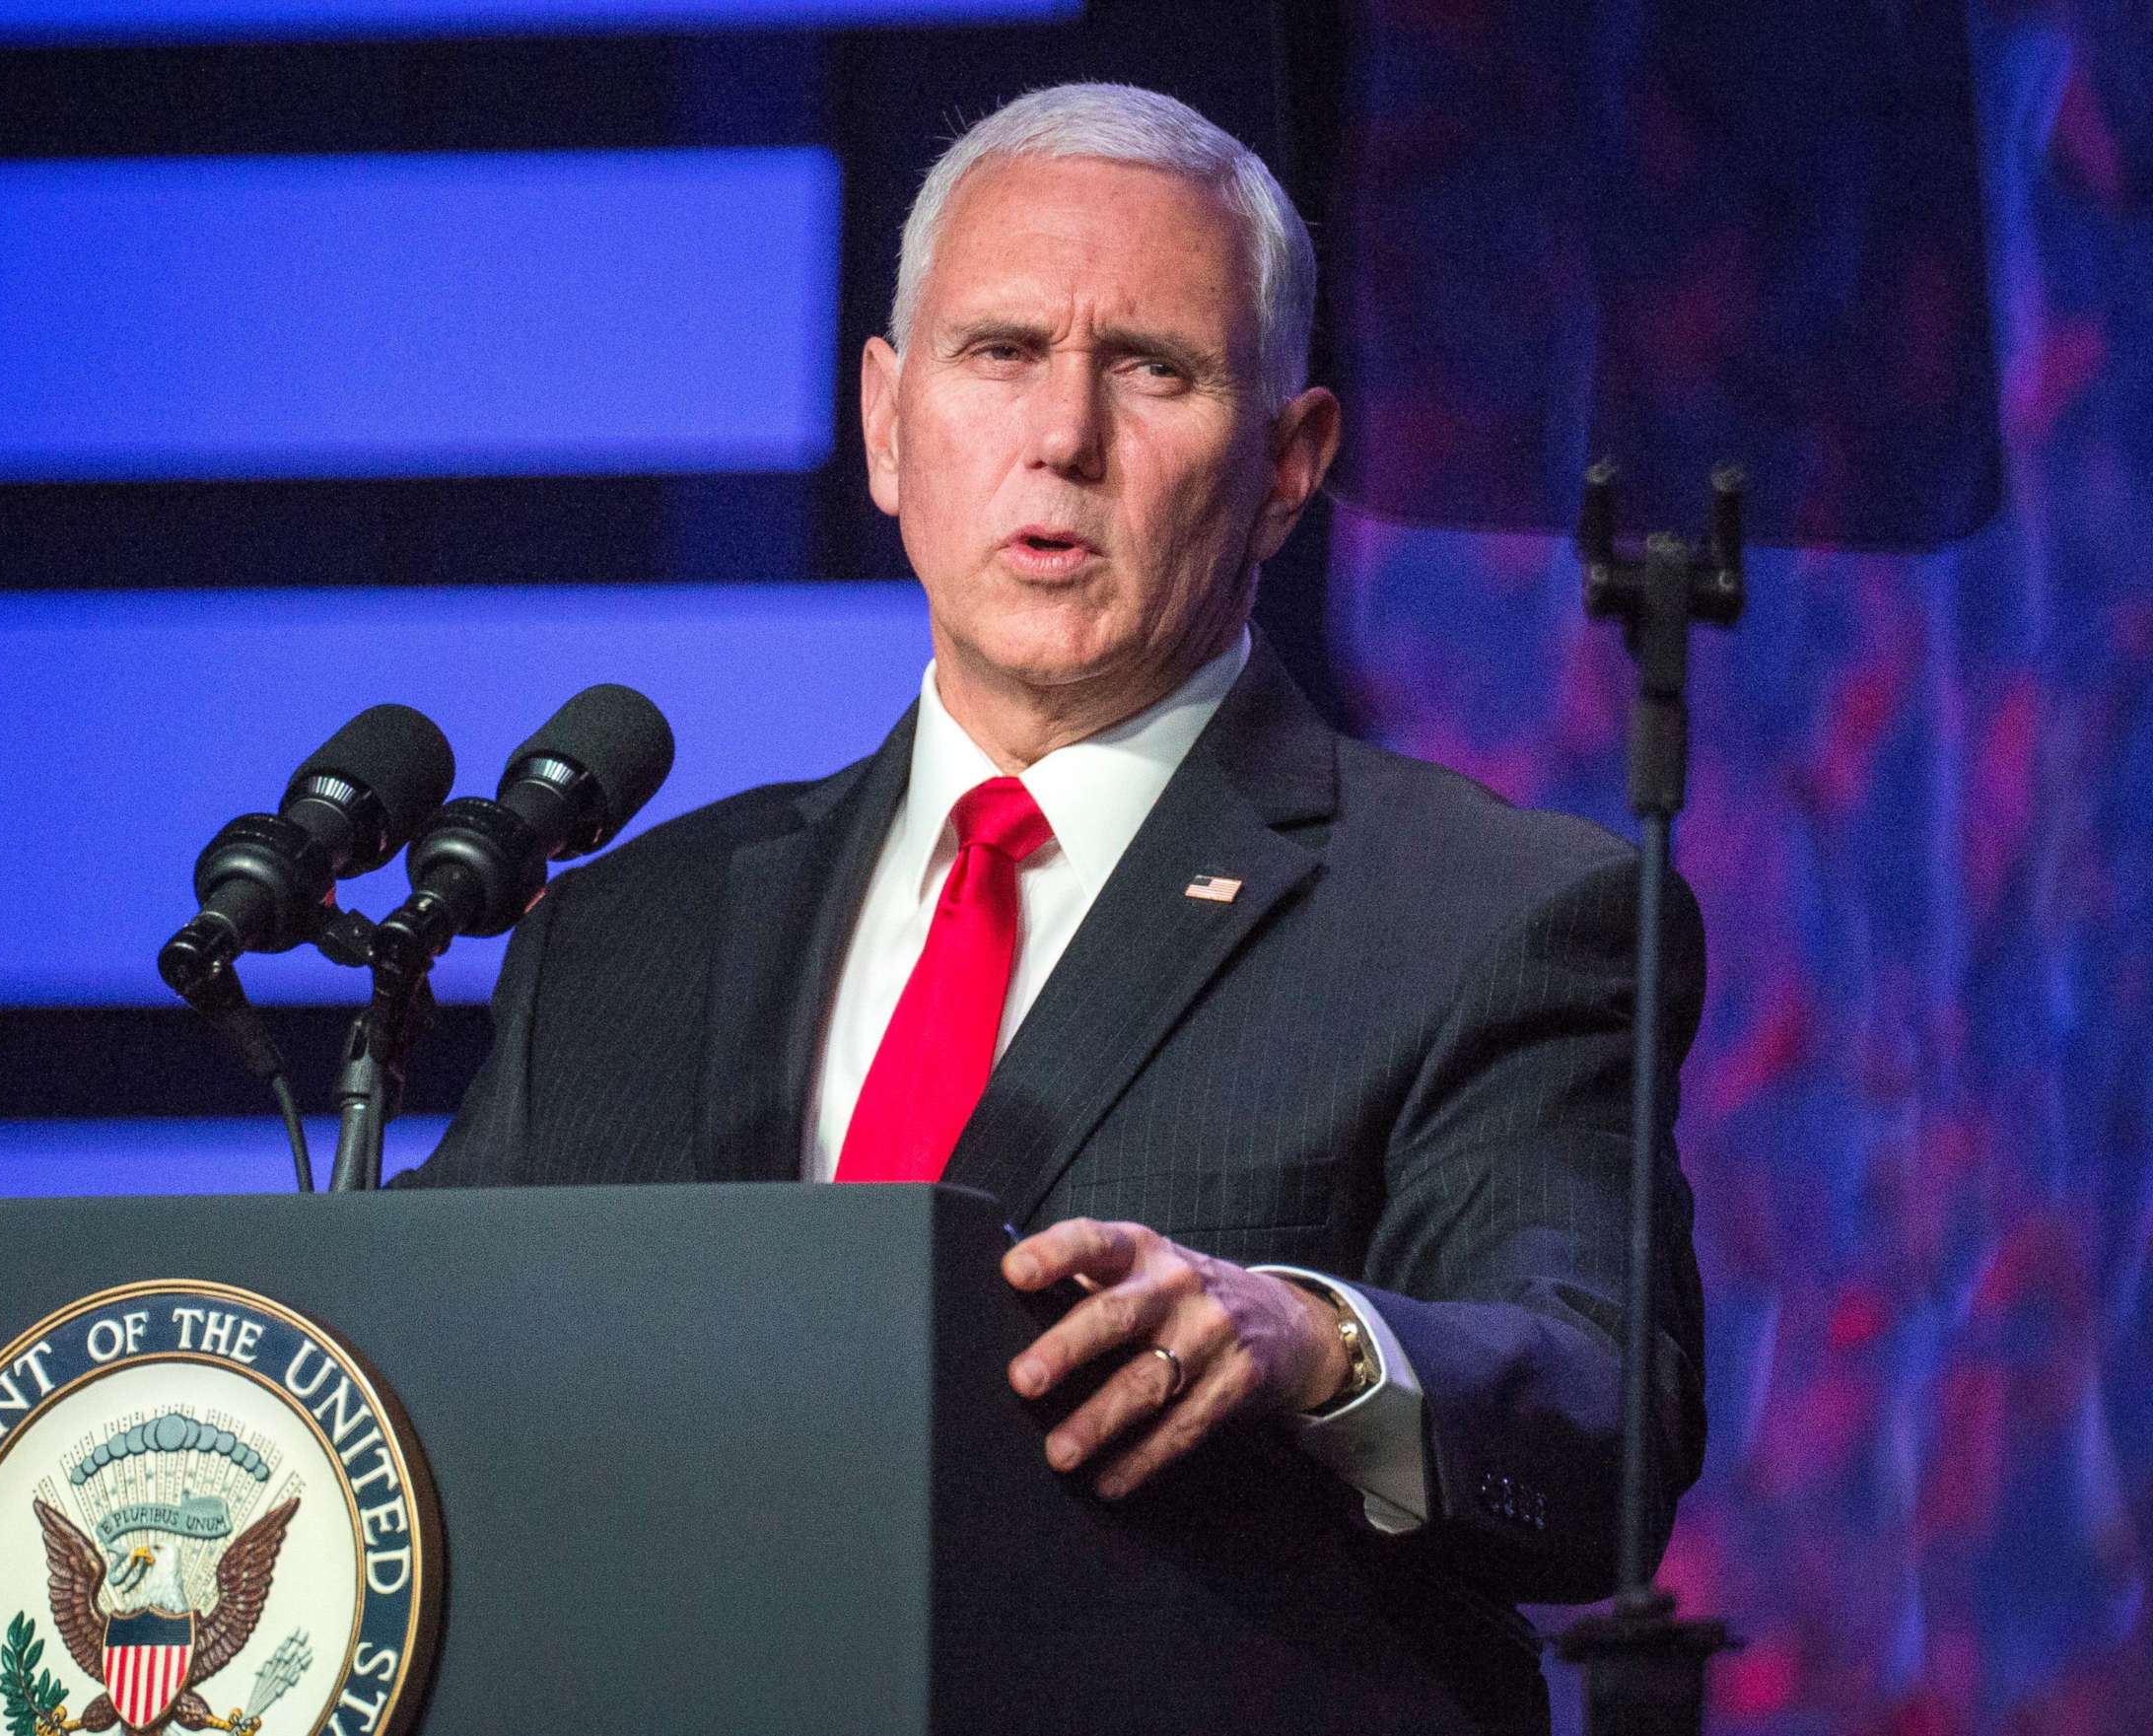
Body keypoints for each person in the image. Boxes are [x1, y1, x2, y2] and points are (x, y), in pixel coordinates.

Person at [396, 82, 1704, 1731]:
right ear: (885, 423)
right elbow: (427, 1379)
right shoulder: (630, 932)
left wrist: (1314, 1340)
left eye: (1151, 367)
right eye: (998, 351)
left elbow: (1600, 1411)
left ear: (1292, 464)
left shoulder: (1487, 917)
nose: (1062, 435)